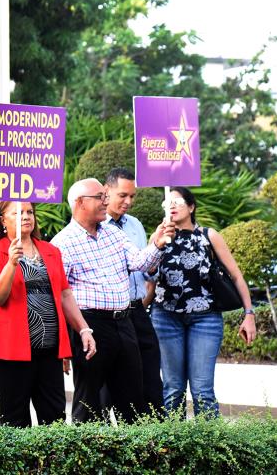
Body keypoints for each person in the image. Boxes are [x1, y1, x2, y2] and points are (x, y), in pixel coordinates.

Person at [51, 179, 174, 424]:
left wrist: (157, 244)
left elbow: (139, 262)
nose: (105, 201)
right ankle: (86, 455)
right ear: (79, 203)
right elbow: (59, 296)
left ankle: (133, 456)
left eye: (105, 196)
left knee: (132, 397)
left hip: (124, 320)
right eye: (99, 197)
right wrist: (64, 343)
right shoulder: (63, 243)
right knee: (91, 399)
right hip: (90, 325)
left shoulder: (112, 232)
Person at [0, 200, 97, 427]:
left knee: (54, 417)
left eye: (29, 212)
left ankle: (50, 464)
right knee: (15, 421)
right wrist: (11, 264)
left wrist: (83, 328)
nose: (26, 216)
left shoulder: (50, 251)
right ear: (3, 220)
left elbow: (64, 295)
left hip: (50, 350)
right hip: (11, 352)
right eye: (18, 212)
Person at [151, 186, 257, 417]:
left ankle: (208, 449)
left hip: (205, 319)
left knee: (202, 390)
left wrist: (249, 314)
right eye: (167, 203)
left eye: (177, 202)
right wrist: (158, 242)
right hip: (165, 317)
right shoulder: (159, 236)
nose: (171, 206)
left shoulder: (209, 236)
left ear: (191, 207)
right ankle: (171, 448)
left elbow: (237, 276)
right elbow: (148, 276)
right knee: (173, 389)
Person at [101, 168, 164, 416]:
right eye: (122, 195)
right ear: (106, 192)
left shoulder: (135, 225)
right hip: (108, 314)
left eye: (132, 196)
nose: (128, 202)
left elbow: (145, 269)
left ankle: (156, 437)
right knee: (108, 386)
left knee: (149, 378)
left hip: (137, 309)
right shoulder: (95, 227)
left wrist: (157, 250)